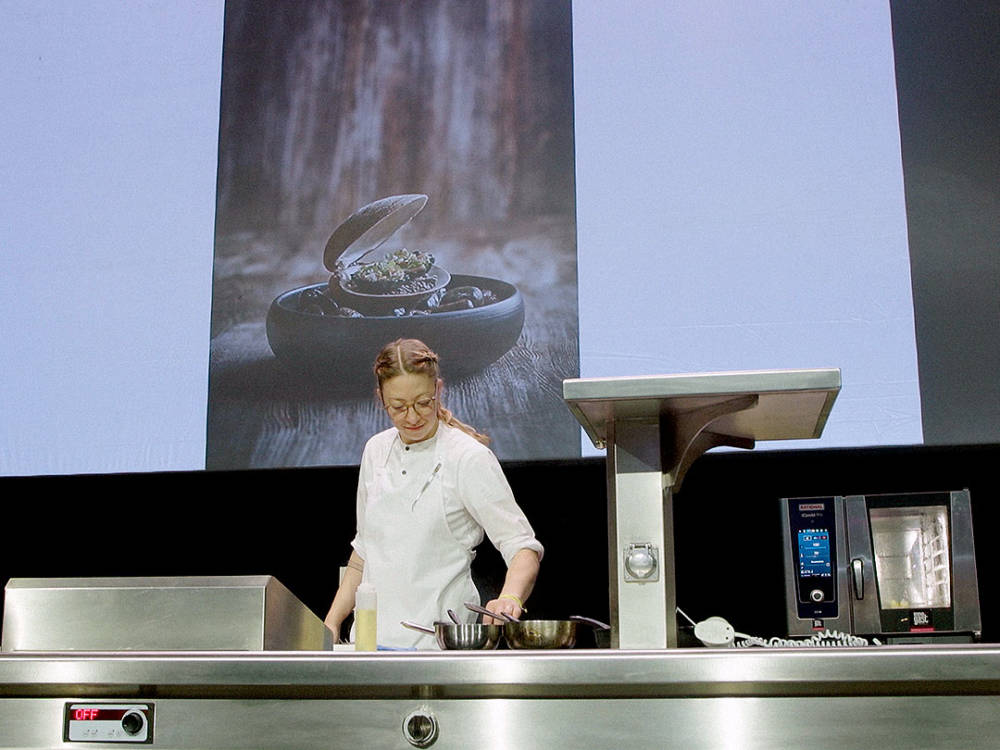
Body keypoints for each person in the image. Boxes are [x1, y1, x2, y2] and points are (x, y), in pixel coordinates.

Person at [324, 338, 543, 648]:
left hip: (438, 648)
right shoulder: (376, 450)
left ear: (439, 390)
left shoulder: (467, 457)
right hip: (369, 646)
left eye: (423, 403)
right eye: (398, 407)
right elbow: (364, 555)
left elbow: (523, 548)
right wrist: (332, 623)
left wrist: (509, 597)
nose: (412, 417)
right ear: (380, 399)